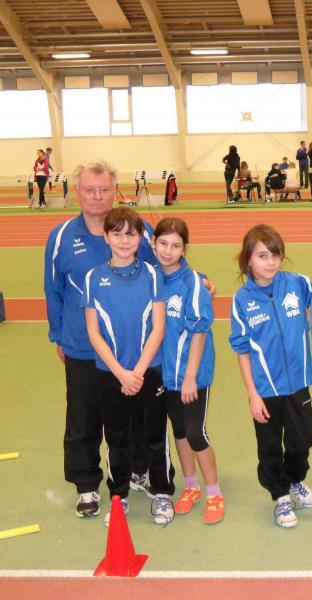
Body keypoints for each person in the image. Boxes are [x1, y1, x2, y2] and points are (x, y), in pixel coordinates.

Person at [44, 160, 158, 519]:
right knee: (84, 418)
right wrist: (58, 335)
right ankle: (86, 485)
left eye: (104, 189)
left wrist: (197, 282)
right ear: (77, 192)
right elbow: (53, 289)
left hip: (132, 347)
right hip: (82, 347)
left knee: (135, 416)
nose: (97, 196)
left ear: (114, 190)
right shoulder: (61, 237)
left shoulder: (139, 230)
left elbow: (167, 269)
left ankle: (137, 471)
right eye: (90, 190)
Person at [82, 206, 175, 526]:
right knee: (116, 437)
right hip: (110, 374)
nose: (124, 241)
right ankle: (118, 496)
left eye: (131, 234)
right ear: (106, 236)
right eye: (117, 234)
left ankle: (162, 492)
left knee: (154, 435)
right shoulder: (94, 278)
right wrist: (121, 373)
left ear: (141, 238)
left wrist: (138, 371)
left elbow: (158, 328)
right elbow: (93, 333)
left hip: (149, 370)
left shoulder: (152, 275)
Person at [229, 225, 312, 528]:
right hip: (265, 390)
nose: (271, 262)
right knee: (269, 446)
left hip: (298, 384)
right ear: (248, 259)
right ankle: (280, 495)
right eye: (262, 256)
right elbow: (242, 351)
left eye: (276, 255)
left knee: (302, 440)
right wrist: (253, 395)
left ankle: (294, 479)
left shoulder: (297, 284)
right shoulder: (242, 299)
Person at [153, 218, 224, 525]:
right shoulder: (151, 279)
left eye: (176, 245)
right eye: (163, 243)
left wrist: (191, 376)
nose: (168, 251)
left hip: (192, 374)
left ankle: (214, 492)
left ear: (185, 249)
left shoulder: (192, 283)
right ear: (153, 243)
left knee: (196, 432)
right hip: (165, 373)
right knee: (179, 430)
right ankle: (191, 486)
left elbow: (199, 331)